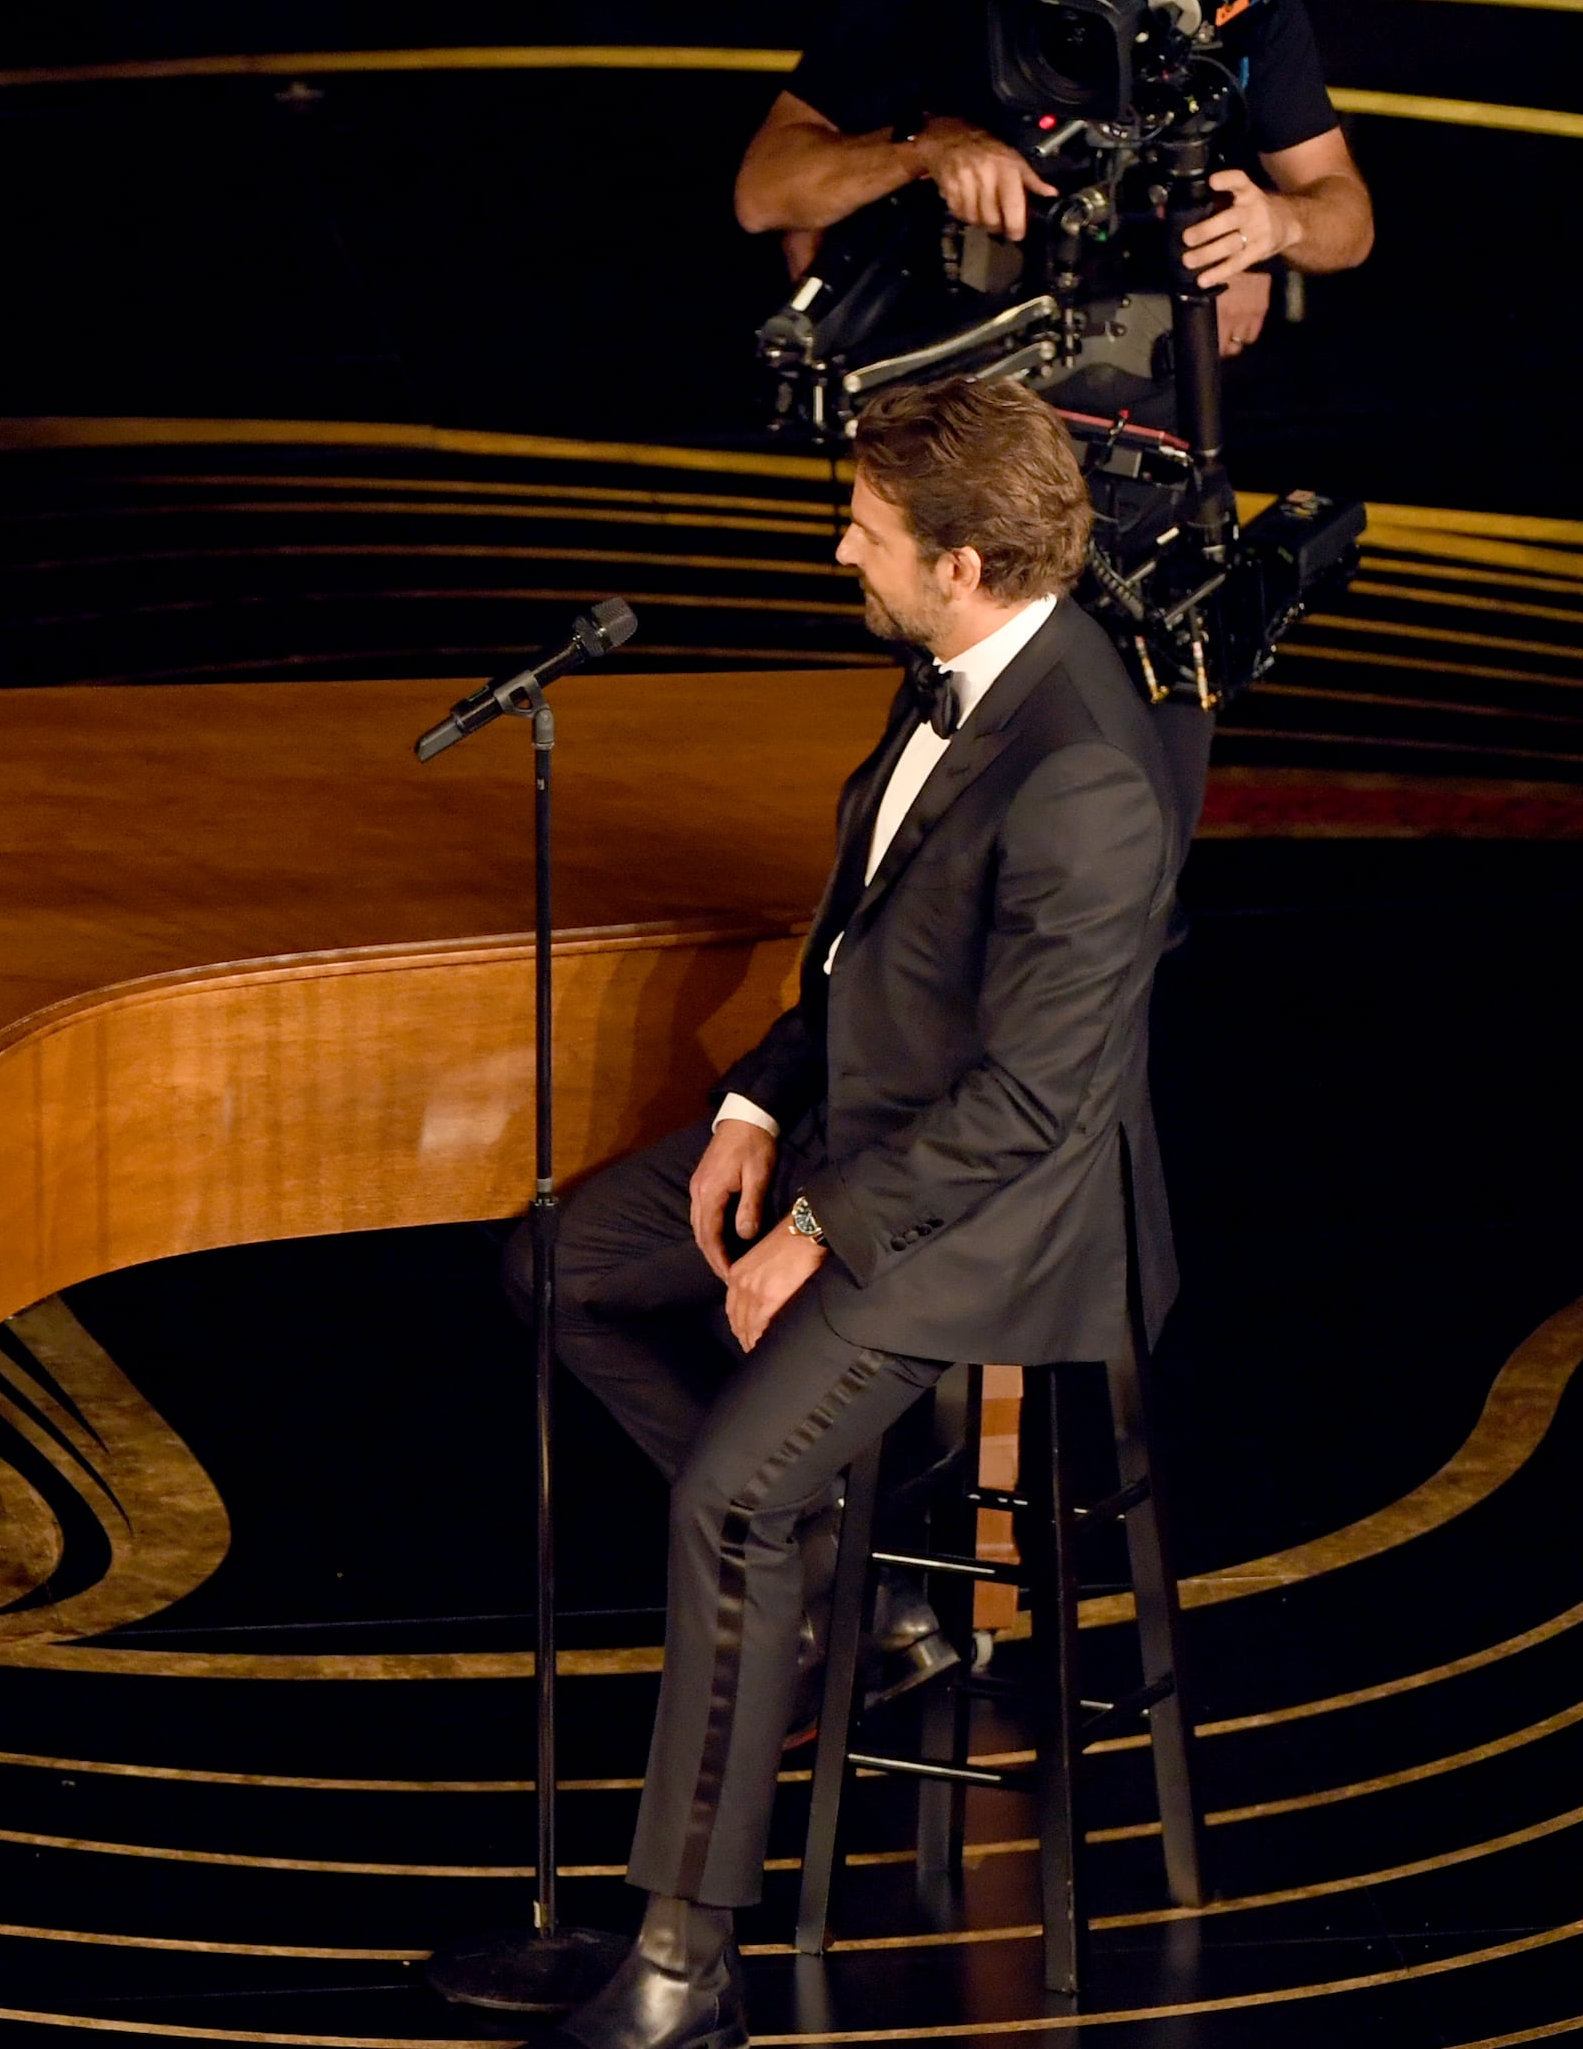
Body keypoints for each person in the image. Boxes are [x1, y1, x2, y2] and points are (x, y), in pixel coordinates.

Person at [517, 382, 1180, 2049]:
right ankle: (847, 1601)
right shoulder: (958, 676)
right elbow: (866, 947)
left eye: (867, 538)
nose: (841, 553)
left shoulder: (1085, 773)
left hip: (986, 1216)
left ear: (962, 561)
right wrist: (752, 1106)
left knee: (732, 1501)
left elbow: (1033, 1104)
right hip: (860, 1132)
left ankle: (683, 1958)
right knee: (562, 1270)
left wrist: (821, 1228)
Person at [733, 0, 1373, 356]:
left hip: (1157, 345)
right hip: (962, 341)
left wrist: (1274, 227)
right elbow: (764, 193)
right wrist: (927, 148)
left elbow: (1348, 219)